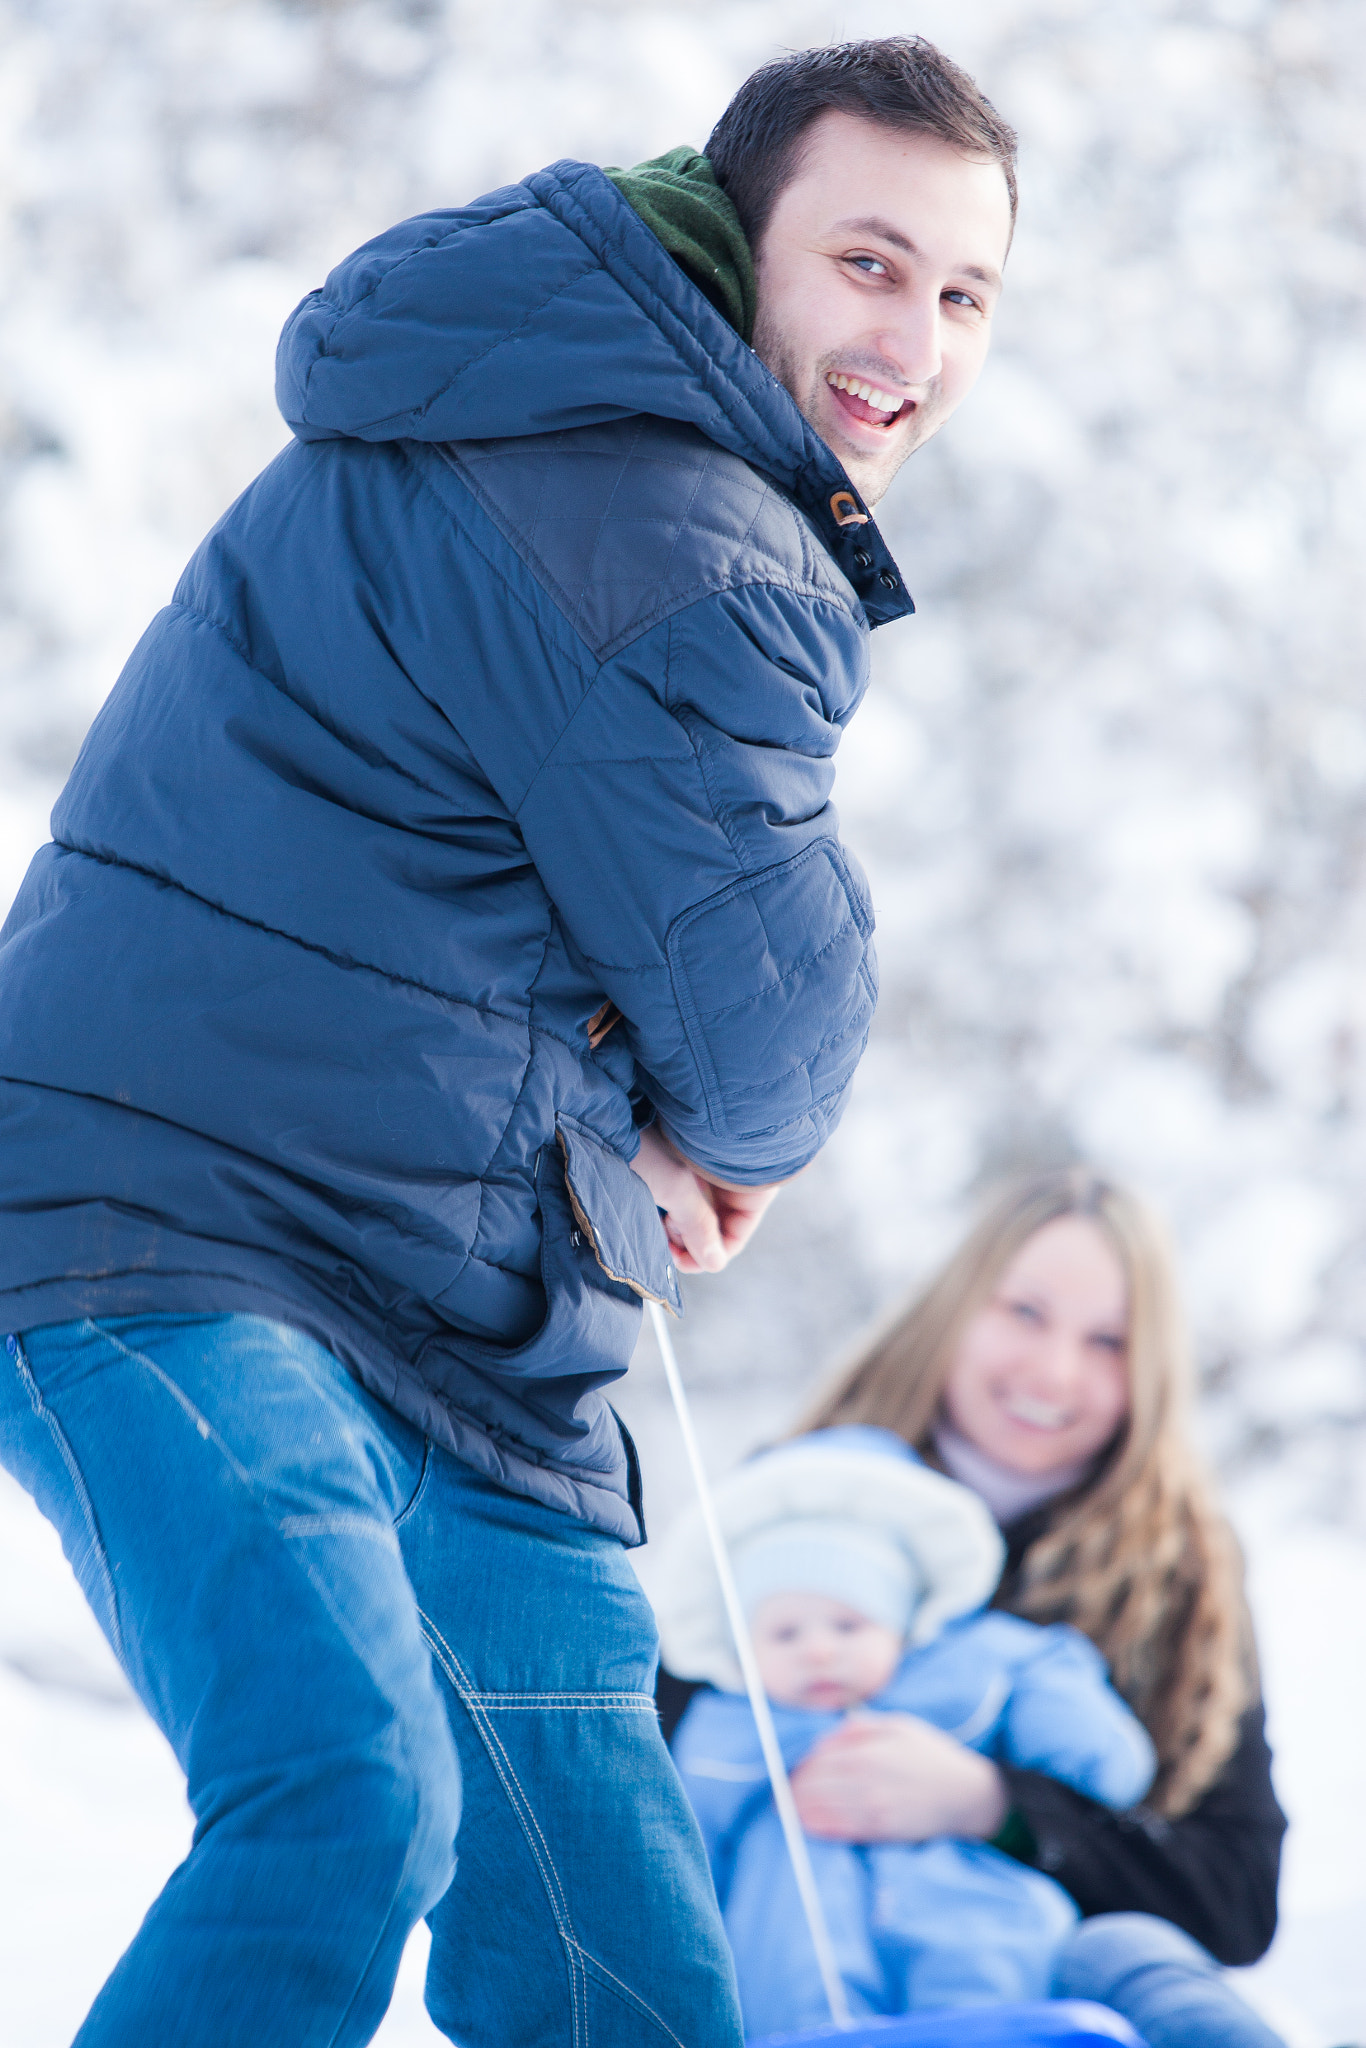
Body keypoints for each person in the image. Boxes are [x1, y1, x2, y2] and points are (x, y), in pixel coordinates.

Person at [0, 34, 1018, 2048]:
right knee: (344, 1782)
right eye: (867, 263)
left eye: (962, 291)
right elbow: (776, 1019)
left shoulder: (554, 405)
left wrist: (637, 1128)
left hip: (467, 1309)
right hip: (174, 1226)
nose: (910, 335)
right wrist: (717, 1134)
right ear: (737, 246)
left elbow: (507, 899)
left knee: (614, 1964)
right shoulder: (673, 530)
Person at [659, 1167, 1288, 2048]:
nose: (1054, 1370)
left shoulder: (1179, 1569)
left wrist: (995, 1805)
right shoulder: (793, 1510)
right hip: (792, 1973)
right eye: (1024, 1313)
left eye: (1109, 1340)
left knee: (1136, 1956)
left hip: (1053, 1984)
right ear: (958, 1308)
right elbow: (647, 1790)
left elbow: (1236, 1892)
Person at [651, 1430, 1157, 2038]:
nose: (818, 1650)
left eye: (847, 1623)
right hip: (793, 1972)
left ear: (897, 1619)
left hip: (976, 1932)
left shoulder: (978, 1664)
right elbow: (679, 1855)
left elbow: (1107, 1769)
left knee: (982, 1949)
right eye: (786, 1634)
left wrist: (1055, 1687)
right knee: (784, 1941)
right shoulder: (726, 1729)